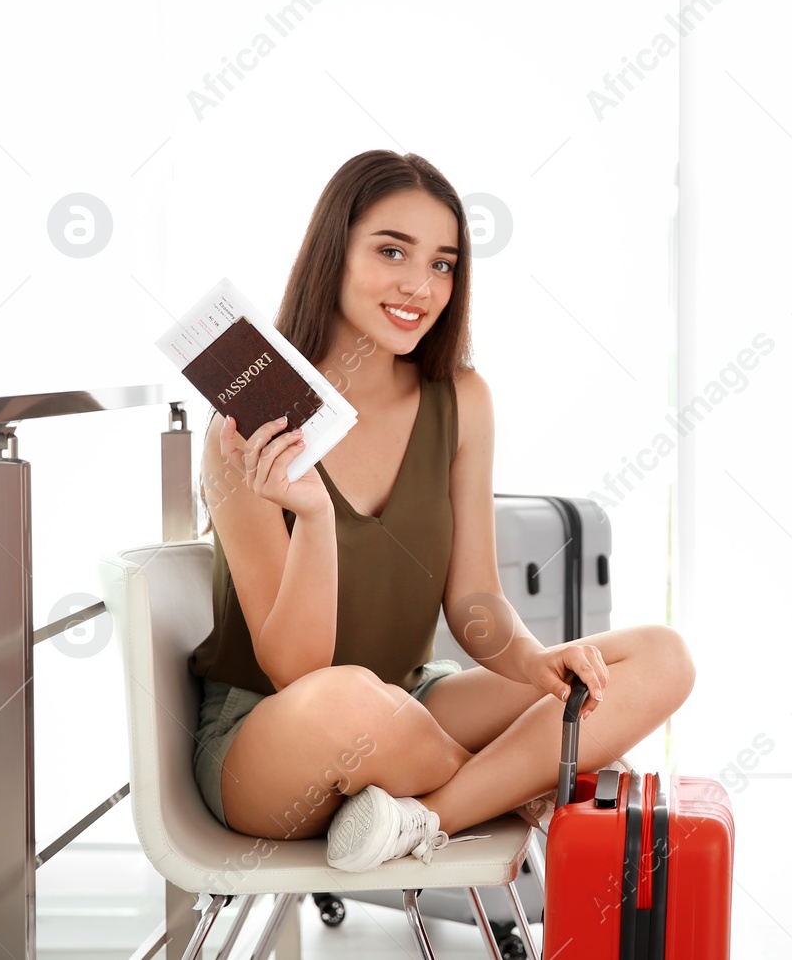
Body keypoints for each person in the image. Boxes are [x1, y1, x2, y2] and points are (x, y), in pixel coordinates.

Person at [186, 149, 694, 872]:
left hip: (411, 703)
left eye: (444, 264)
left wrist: (532, 660)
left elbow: (474, 598)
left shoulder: (461, 400)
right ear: (333, 253)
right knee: (348, 701)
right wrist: (317, 519)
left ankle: (423, 815)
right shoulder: (246, 427)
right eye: (392, 250)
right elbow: (297, 668)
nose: (420, 286)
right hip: (272, 736)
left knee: (658, 657)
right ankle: (508, 786)